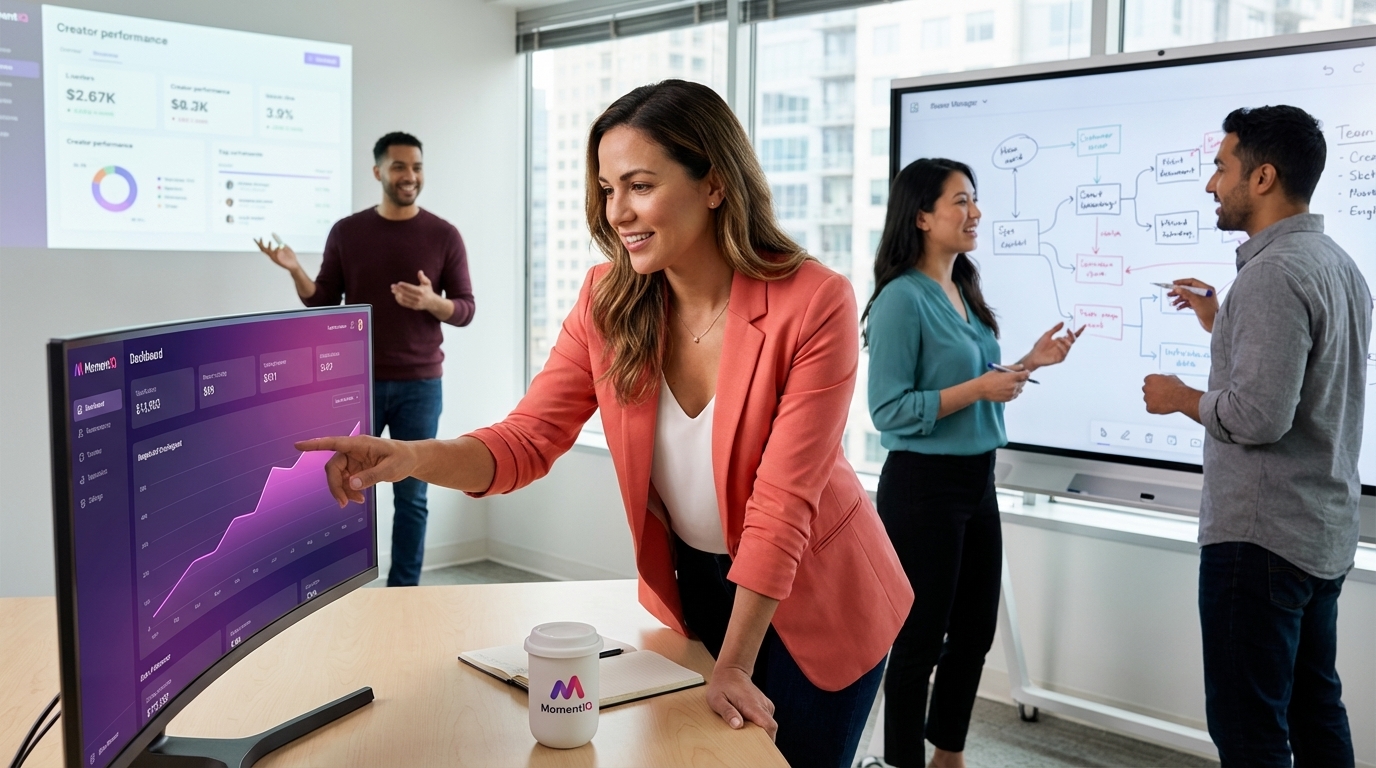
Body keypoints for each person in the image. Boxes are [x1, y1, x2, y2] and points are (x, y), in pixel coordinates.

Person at [295, 80, 913, 768]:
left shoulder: (813, 300)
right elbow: (526, 440)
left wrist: (735, 664)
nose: (617, 212)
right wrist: (412, 458)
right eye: (607, 188)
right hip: (701, 587)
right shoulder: (607, 299)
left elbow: (783, 503)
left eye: (640, 186)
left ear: (714, 183)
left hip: (820, 593)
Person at [1143, 105, 1366, 766]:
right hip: (1316, 533)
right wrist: (1220, 320)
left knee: (1249, 732)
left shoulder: (1271, 275)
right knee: (1314, 709)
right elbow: (1301, 374)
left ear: (1263, 177)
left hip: (1260, 539)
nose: (1211, 184)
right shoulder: (1336, 264)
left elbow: (1259, 416)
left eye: (1221, 167)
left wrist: (1179, 398)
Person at [864, 158, 1081, 768]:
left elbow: (976, 382)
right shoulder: (901, 299)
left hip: (977, 479)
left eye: (974, 199)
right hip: (923, 486)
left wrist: (1030, 362)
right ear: (922, 217)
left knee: (974, 634)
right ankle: (903, 760)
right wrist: (982, 389)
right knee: (918, 642)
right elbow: (888, 409)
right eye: (961, 201)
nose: (976, 212)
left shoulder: (962, 288)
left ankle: (949, 754)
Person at [255, 131, 476, 587]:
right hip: (358, 384)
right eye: (399, 167)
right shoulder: (348, 232)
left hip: (420, 385)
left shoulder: (444, 235)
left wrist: (431, 302)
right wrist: (295, 269)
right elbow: (322, 300)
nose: (410, 175)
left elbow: (465, 309)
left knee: (412, 495)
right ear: (378, 172)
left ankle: (404, 591)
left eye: (416, 167)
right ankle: (343, 588)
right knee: (347, 483)